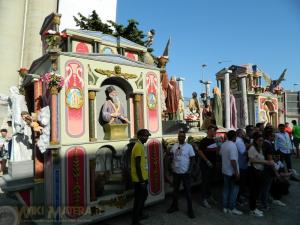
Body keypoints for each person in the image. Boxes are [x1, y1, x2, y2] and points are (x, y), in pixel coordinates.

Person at [167, 130, 195, 219]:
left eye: (182, 136)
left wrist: (190, 170)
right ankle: (174, 207)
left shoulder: (189, 147)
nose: (181, 138)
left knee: (188, 193)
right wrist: (171, 164)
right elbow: (171, 155)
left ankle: (190, 210)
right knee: (175, 191)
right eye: (179, 136)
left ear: (185, 137)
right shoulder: (175, 146)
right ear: (178, 137)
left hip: (185, 173)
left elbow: (193, 159)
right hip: (176, 173)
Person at [248, 132, 274, 217]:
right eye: (259, 140)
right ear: (255, 141)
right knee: (254, 191)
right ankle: (252, 209)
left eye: (262, 140)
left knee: (257, 191)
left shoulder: (260, 148)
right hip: (253, 171)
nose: (261, 142)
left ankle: (254, 208)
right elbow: (251, 160)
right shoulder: (252, 148)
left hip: (259, 171)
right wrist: (265, 162)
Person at [131, 129, 151, 225]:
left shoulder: (140, 145)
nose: (147, 138)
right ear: (139, 137)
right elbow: (137, 164)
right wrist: (142, 181)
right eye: (145, 136)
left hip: (142, 177)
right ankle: (135, 221)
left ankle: (140, 214)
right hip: (139, 179)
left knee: (144, 196)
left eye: (147, 136)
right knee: (139, 200)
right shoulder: (138, 146)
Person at [220, 130, 243, 215]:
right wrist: (236, 172)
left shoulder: (224, 145)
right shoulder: (233, 146)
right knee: (234, 190)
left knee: (226, 189)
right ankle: (232, 208)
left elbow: (220, 154)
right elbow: (233, 160)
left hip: (225, 170)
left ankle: (224, 207)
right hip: (232, 172)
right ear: (234, 137)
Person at [197, 125, 218, 208]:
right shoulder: (204, 141)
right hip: (205, 165)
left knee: (210, 181)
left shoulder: (214, 140)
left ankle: (209, 196)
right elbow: (199, 151)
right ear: (209, 131)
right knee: (205, 182)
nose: (215, 132)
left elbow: (215, 151)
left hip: (213, 164)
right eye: (214, 131)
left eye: (215, 131)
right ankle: (204, 199)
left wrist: (219, 145)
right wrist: (207, 161)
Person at [235, 129, 248, 204]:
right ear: (240, 133)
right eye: (243, 132)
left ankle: (239, 197)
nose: (244, 133)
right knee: (241, 182)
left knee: (242, 182)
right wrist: (250, 147)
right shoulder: (239, 141)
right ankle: (238, 198)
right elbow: (243, 152)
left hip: (241, 163)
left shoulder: (240, 141)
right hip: (241, 164)